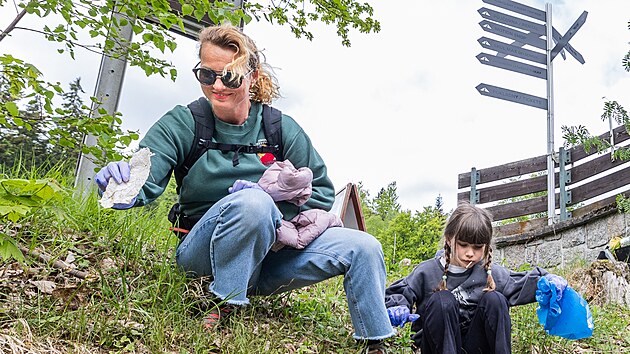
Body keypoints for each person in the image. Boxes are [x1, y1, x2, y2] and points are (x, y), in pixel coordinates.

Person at [94, 23, 394, 353]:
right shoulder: (185, 122)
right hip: (203, 255)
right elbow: (147, 177)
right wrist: (120, 184)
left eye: (230, 77)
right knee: (253, 202)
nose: (218, 86)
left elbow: (321, 191)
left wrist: (283, 219)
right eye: (207, 75)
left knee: (364, 246)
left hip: (270, 258)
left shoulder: (279, 129)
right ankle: (225, 305)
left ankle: (375, 339)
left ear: (252, 77)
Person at [384, 202, 569, 354]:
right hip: (436, 347)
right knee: (443, 299)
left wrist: (548, 280)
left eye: (478, 247)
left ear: (486, 246)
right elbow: (401, 291)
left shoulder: (489, 273)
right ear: (449, 239)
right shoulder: (427, 271)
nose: (470, 253)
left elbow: (520, 283)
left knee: (495, 299)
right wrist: (397, 306)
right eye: (463, 245)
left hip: (476, 346)